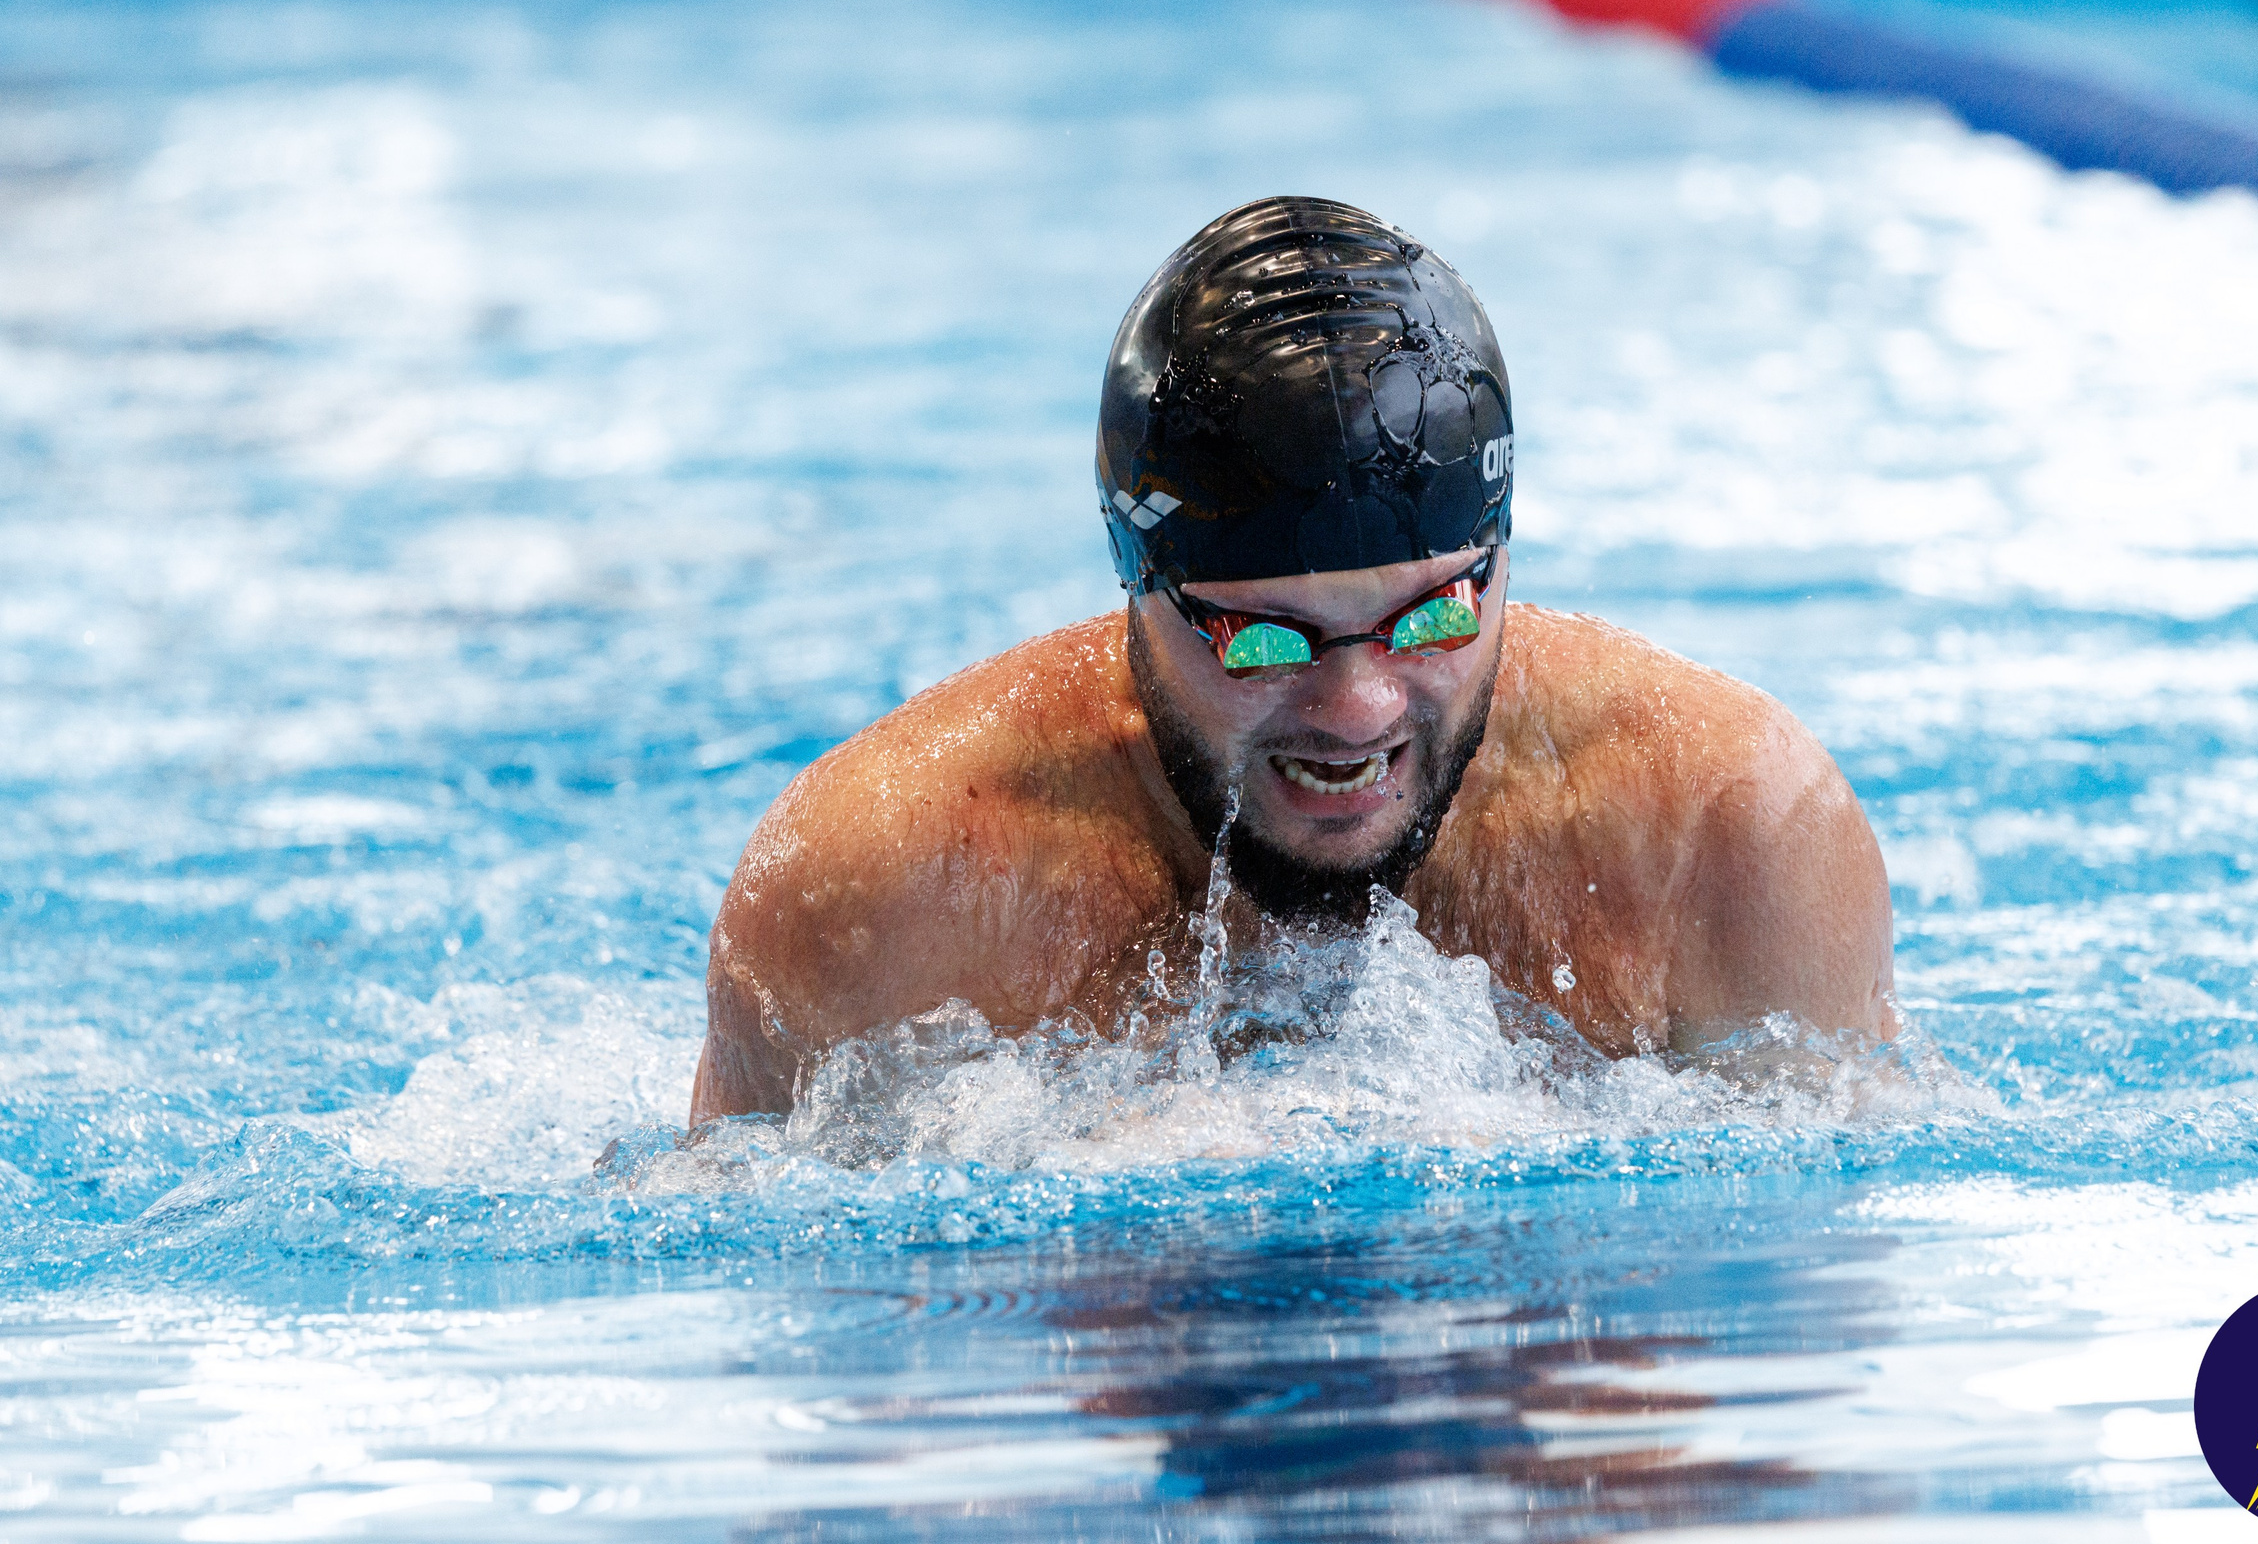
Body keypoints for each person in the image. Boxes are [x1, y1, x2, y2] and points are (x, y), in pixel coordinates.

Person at [688, 197, 1893, 1124]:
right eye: (1264, 639)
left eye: (1429, 619)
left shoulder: (1729, 838)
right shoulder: (886, 890)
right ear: (1136, 583)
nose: (1358, 707)